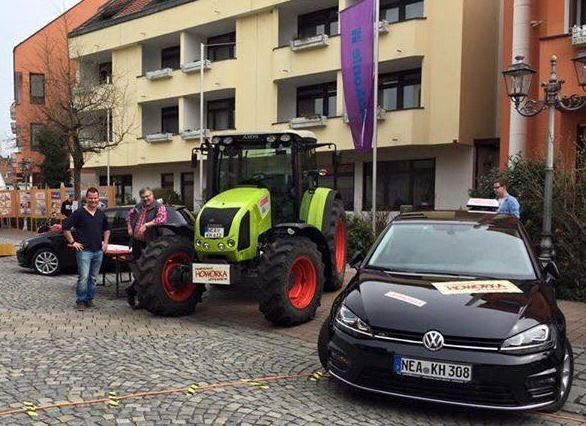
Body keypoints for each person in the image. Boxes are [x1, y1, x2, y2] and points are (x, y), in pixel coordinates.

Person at [63, 188, 111, 310]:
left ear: (98, 198)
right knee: (83, 277)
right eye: (91, 198)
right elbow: (65, 227)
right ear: (86, 198)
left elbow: (107, 229)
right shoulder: (79, 212)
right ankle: (81, 301)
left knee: (93, 278)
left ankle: (89, 299)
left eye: (95, 198)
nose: (93, 200)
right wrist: (73, 242)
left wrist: (105, 243)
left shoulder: (100, 213)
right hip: (84, 251)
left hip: (98, 251)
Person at [125, 188, 168, 308]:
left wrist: (147, 225)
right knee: (139, 270)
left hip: (151, 243)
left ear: (152, 195)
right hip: (137, 242)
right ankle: (138, 297)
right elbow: (129, 216)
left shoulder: (159, 207)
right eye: (143, 197)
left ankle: (133, 292)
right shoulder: (138, 206)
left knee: (148, 272)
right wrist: (129, 227)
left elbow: (162, 219)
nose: (146, 199)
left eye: (148, 196)